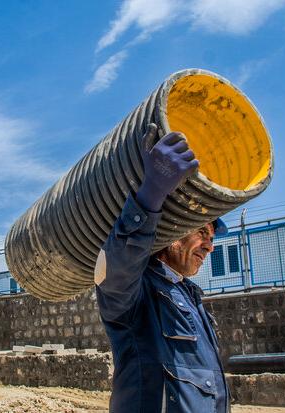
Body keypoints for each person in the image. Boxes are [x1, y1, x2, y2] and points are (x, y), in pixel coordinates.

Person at [95, 123, 230, 412]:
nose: (210, 246)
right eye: (203, 233)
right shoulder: (139, 292)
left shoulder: (190, 297)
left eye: (212, 237)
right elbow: (117, 267)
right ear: (174, 233)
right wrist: (151, 193)